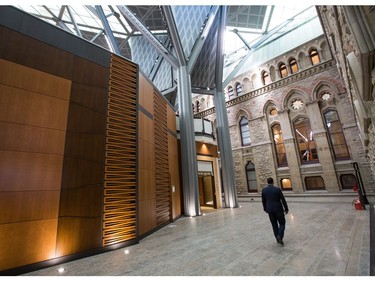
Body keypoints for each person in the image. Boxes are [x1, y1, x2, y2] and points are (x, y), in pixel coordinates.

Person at [261, 177, 289, 245]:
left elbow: (263, 201)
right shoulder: (277, 189)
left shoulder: (264, 190)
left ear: (267, 182)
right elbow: (282, 199)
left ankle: (277, 238)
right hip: (278, 209)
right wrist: (286, 208)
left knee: (274, 224)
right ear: (273, 182)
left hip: (270, 210)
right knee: (282, 223)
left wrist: (265, 209)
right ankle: (279, 236)